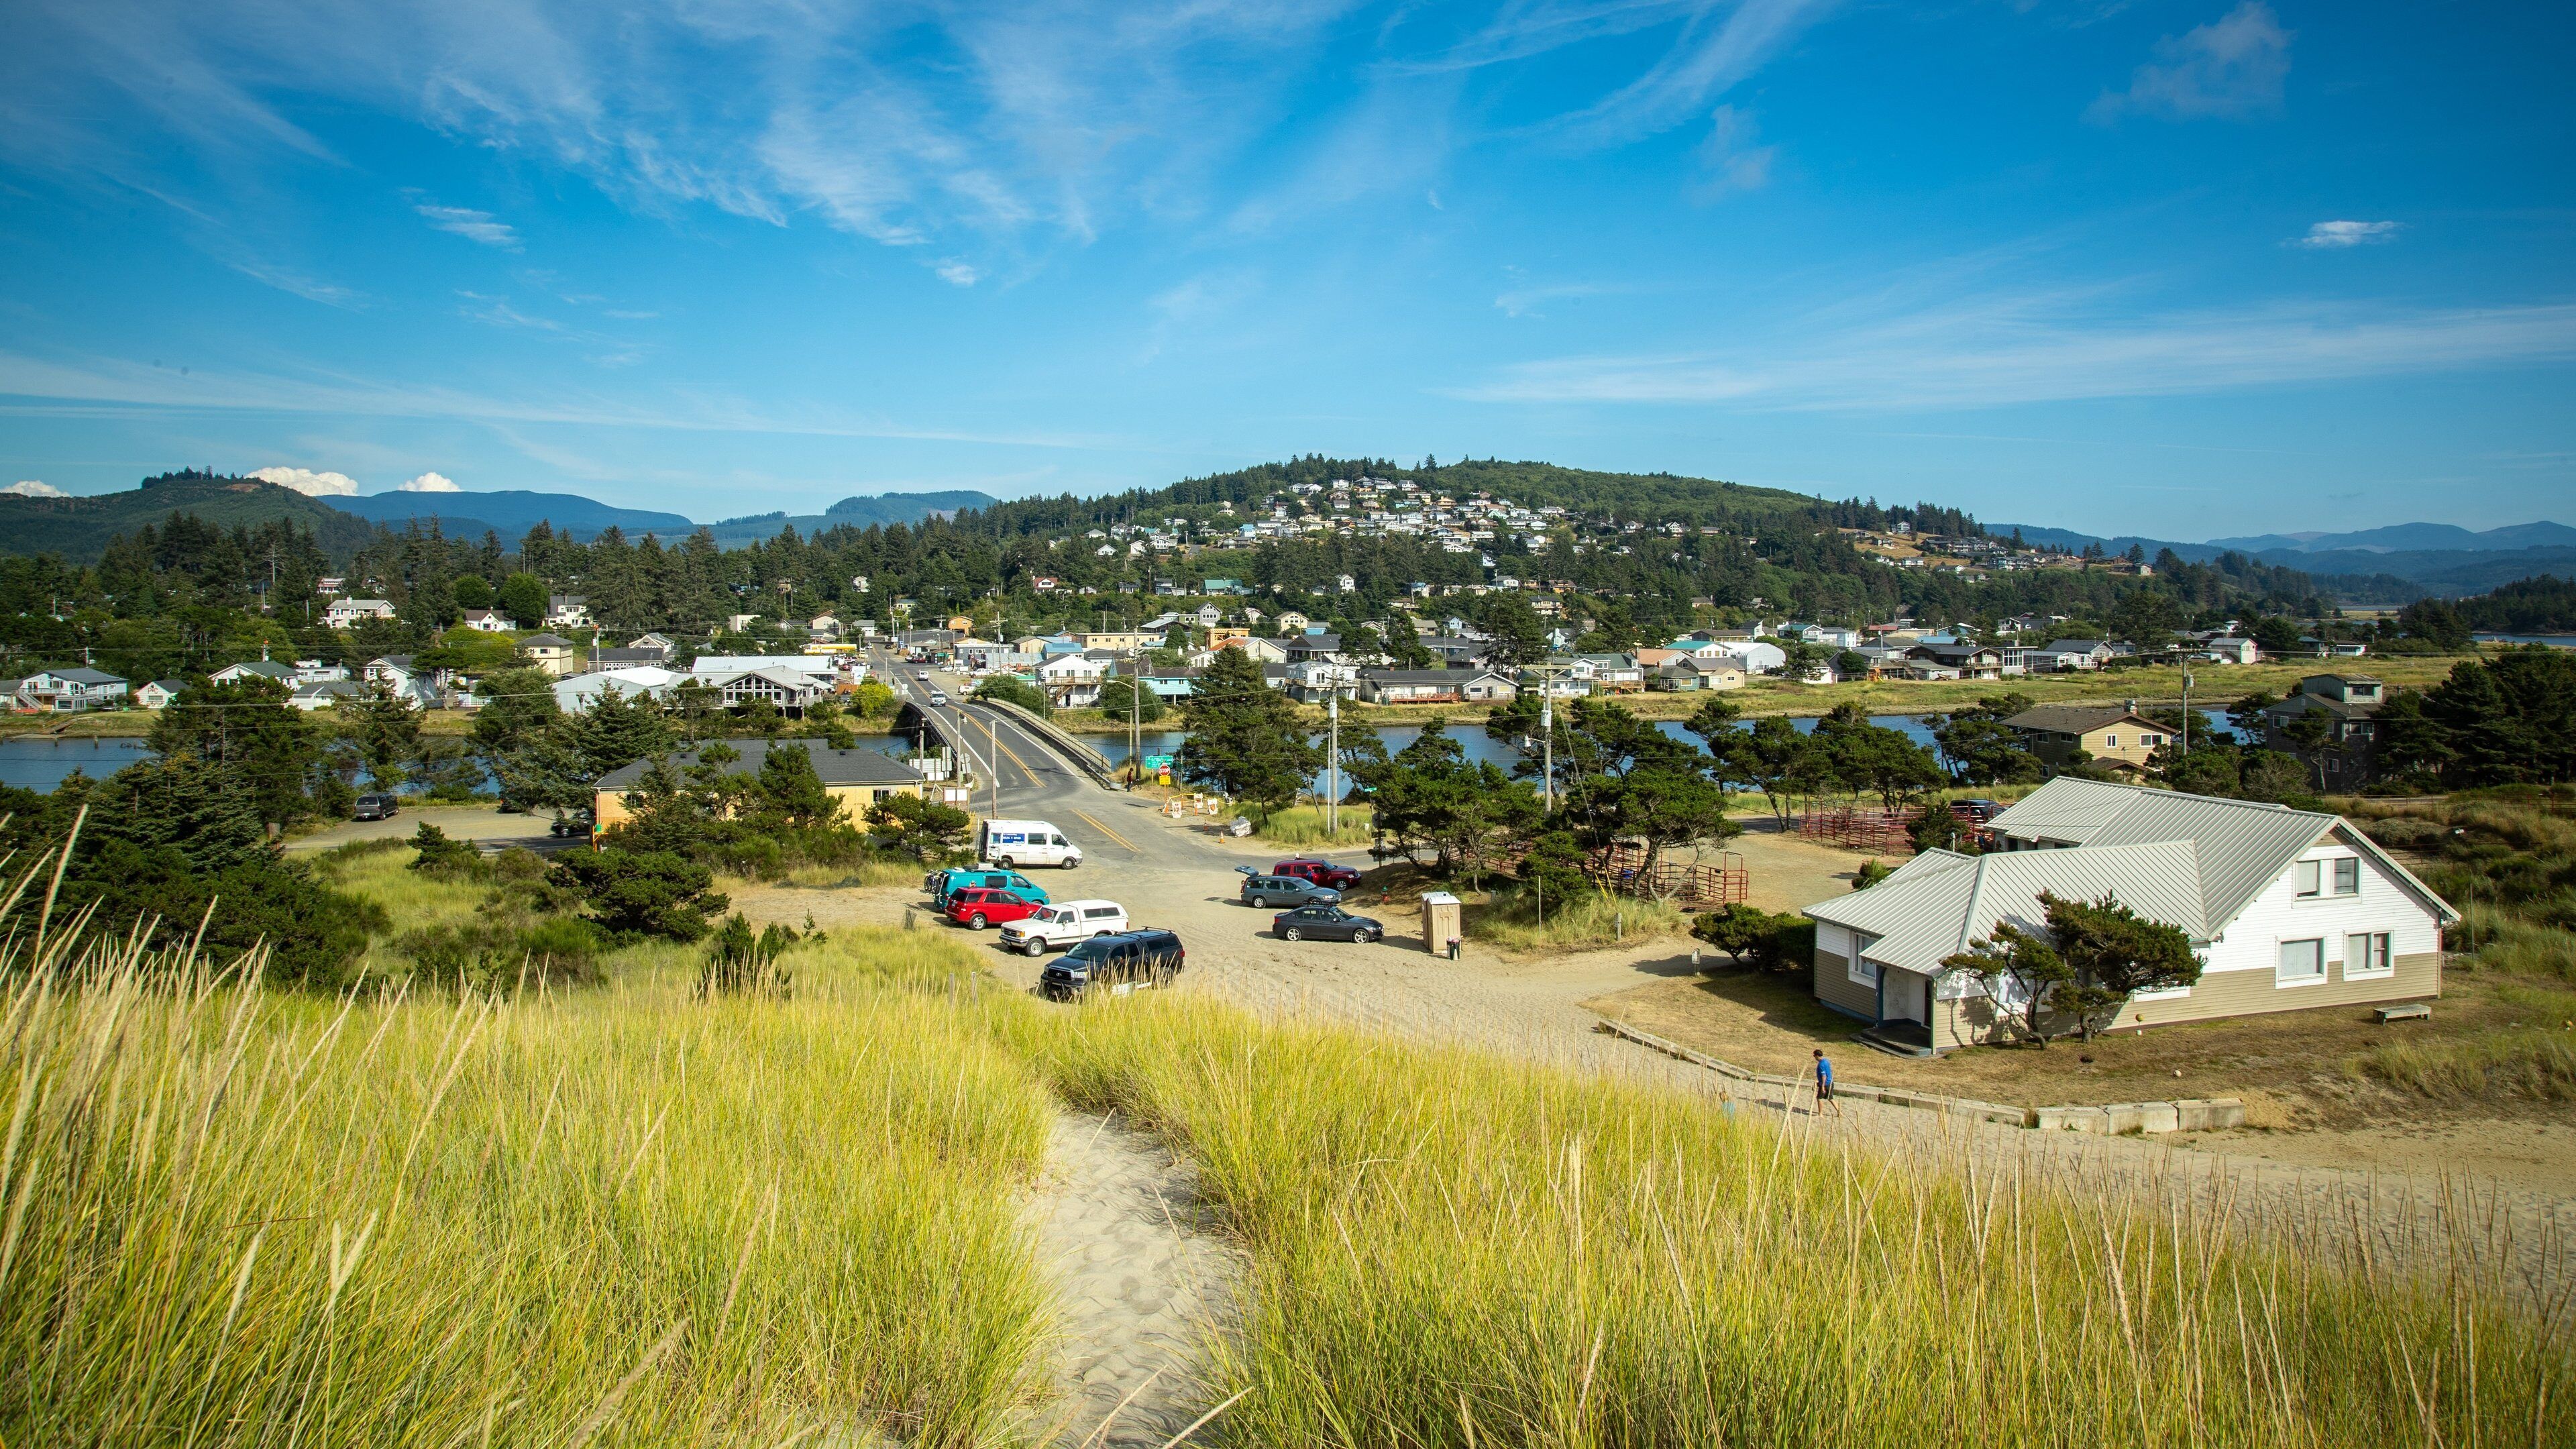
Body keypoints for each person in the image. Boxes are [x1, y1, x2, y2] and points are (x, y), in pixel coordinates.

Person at [1811, 1048, 1842, 1116]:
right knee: (1830, 1098)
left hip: (1825, 1084)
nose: (1814, 1058)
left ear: (1817, 1056)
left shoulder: (1821, 1065)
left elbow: (1824, 1076)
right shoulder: (1826, 1060)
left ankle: (1820, 1114)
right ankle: (1839, 1112)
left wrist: (1822, 1087)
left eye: (1814, 1056)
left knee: (1819, 1098)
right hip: (1830, 1082)